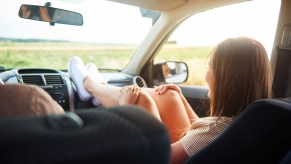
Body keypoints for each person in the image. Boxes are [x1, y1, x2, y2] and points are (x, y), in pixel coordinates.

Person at [68, 37, 272, 163]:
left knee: (140, 101)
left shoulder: (214, 131)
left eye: (211, 67)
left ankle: (89, 85)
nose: (207, 73)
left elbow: (158, 157)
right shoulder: (251, 120)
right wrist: (181, 98)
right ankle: (100, 89)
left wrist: (127, 109)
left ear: (227, 79)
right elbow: (203, 135)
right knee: (170, 95)